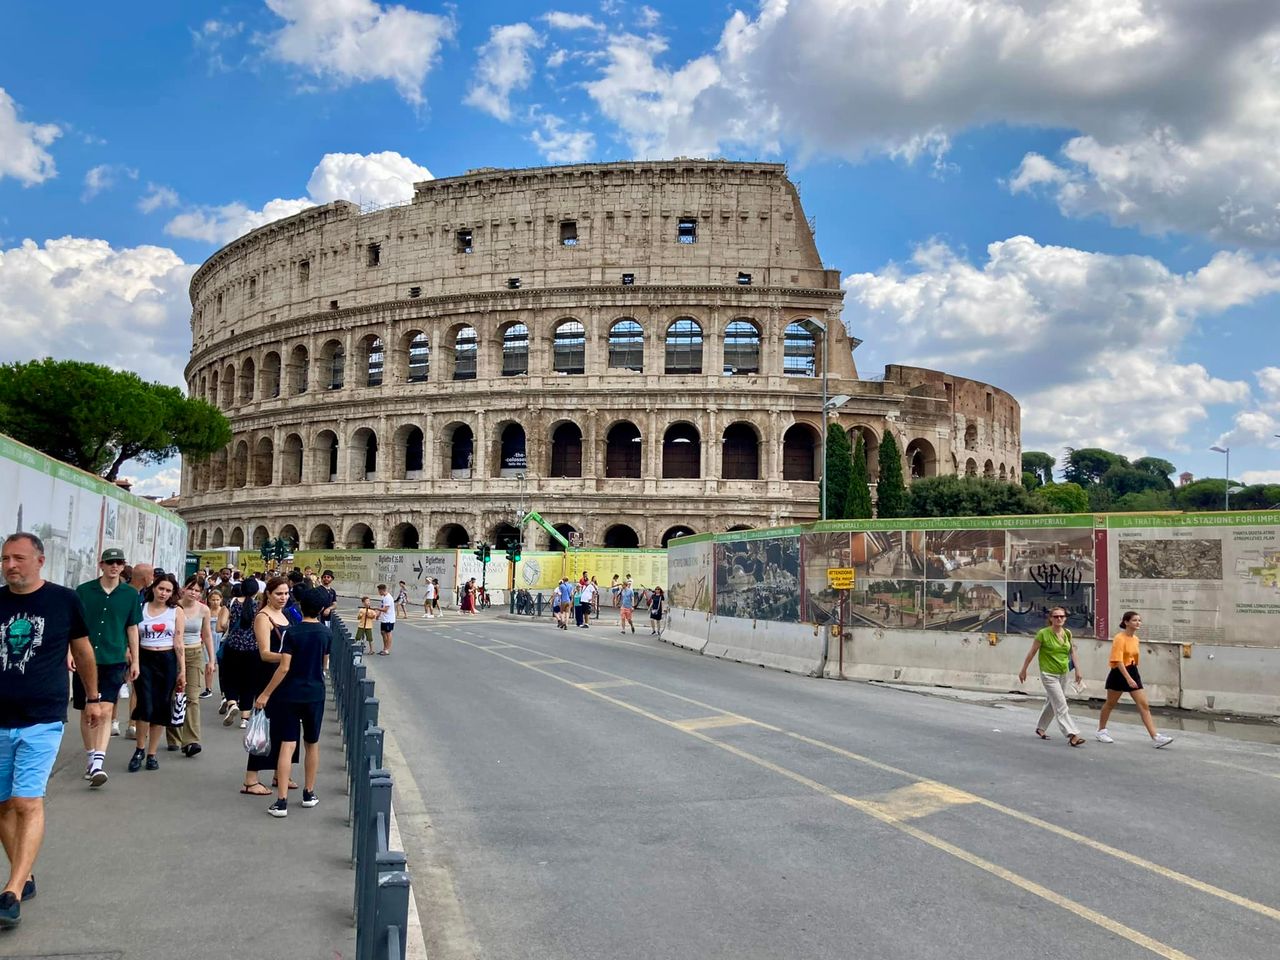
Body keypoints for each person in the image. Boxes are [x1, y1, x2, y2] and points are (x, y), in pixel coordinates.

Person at [0, 533, 102, 929]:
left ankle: (10, 891)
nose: (10, 565)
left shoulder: (63, 600)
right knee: (4, 805)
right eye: (5, 559)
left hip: (42, 716)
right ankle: (23, 876)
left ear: (40, 561)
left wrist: (92, 697)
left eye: (19, 558)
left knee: (27, 802)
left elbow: (83, 651)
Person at [255, 587, 330, 818]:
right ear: (321, 610)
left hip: (290, 693)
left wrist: (265, 694)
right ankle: (309, 793)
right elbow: (324, 664)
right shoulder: (326, 634)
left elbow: (284, 667)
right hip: (315, 693)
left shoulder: (293, 633)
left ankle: (282, 801)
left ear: (300, 606)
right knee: (312, 744)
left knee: (287, 745)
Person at [72, 547, 141, 788]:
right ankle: (91, 756)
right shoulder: (84, 591)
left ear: (123, 566)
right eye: (110, 562)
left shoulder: (130, 595)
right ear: (101, 564)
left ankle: (98, 763)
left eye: (119, 562)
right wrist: (69, 653)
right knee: (85, 709)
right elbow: (73, 627)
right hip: (85, 658)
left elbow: (132, 628)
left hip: (114, 658)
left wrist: (136, 661)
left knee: (104, 709)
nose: (114, 566)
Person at [128, 573, 186, 772]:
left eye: (168, 590)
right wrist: (133, 659)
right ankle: (139, 749)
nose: (164, 593)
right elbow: (133, 634)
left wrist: (182, 671)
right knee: (145, 704)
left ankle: (152, 753)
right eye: (161, 588)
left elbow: (179, 642)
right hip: (145, 658)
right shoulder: (140, 608)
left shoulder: (176, 611)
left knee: (161, 707)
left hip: (167, 659)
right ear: (153, 588)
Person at [1096, 611, 1174, 748]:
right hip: (1119, 672)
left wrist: (1133, 675)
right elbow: (1118, 660)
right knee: (1110, 703)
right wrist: (1128, 678)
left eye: (1139, 620)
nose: (1138, 623)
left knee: (1143, 704)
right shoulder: (1119, 638)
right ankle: (1101, 731)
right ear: (1126, 622)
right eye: (1134, 620)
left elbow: (1134, 658)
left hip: (1132, 670)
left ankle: (1155, 736)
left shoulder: (1135, 639)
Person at [1018, 606, 1085, 747]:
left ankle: (1041, 728)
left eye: (1062, 616)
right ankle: (1072, 734)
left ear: (1065, 618)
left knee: (1052, 702)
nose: (1059, 619)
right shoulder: (1043, 634)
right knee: (1061, 704)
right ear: (1050, 618)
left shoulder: (1067, 633)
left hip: (1063, 672)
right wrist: (1024, 669)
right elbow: (1032, 652)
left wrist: (1078, 670)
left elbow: (1072, 652)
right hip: (1048, 674)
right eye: (1056, 616)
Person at [167, 577, 214, 758]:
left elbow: (207, 635)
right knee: (174, 695)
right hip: (173, 654)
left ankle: (191, 740)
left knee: (192, 697)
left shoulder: (204, 609)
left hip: (195, 654)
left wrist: (211, 660)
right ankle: (174, 737)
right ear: (183, 589)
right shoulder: (173, 607)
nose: (193, 593)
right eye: (190, 589)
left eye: (197, 590)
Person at [219, 580, 260, 729]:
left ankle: (232, 703)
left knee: (230, 678)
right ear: (256, 591)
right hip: (252, 649)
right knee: (249, 683)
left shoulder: (232, 603)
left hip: (233, 647)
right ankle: (245, 719)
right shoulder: (258, 607)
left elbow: (222, 625)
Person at [376, 583, 395, 655]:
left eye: (379, 591)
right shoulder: (383, 597)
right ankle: (384, 648)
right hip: (384, 618)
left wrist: (377, 609)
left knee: (388, 633)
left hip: (389, 619)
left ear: (382, 590)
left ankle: (387, 649)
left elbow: (385, 609)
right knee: (382, 632)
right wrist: (378, 614)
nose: (379, 592)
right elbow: (382, 606)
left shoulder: (388, 598)